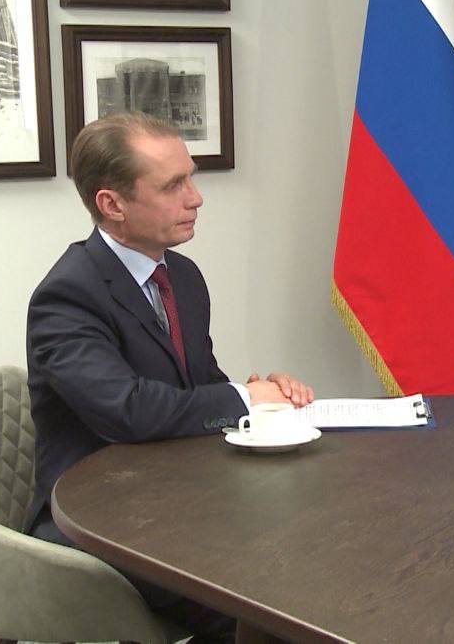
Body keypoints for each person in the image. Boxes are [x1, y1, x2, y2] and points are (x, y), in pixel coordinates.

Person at [23, 112, 315, 643]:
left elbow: (198, 383)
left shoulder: (181, 275)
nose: (196, 198)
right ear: (112, 204)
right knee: (279, 604)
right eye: (173, 185)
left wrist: (265, 398)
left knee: (310, 556)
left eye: (191, 178)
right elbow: (127, 411)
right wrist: (241, 398)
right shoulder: (68, 295)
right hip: (102, 517)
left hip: (185, 495)